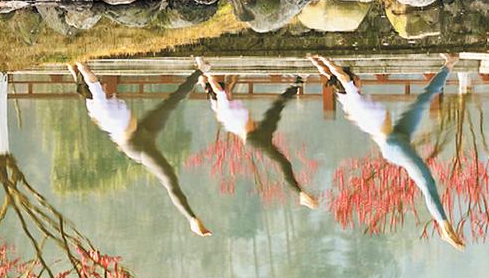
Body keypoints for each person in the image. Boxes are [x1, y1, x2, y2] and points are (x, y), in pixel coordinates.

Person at [307, 53, 464, 250]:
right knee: (426, 182)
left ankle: (450, 63)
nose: (359, 78)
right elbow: (340, 75)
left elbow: (332, 76)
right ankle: (444, 226)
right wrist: (325, 60)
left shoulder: (344, 96)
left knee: (424, 100)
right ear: (351, 82)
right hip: (394, 145)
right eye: (356, 78)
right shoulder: (351, 95)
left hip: (398, 135)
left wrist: (316, 62)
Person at [70, 62, 212, 237]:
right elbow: (88, 80)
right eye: (101, 84)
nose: (104, 84)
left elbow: (87, 80)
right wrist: (78, 66)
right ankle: (192, 219)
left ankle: (200, 71)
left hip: (137, 136)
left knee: (171, 103)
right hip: (138, 144)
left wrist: (78, 67)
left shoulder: (96, 102)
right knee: (168, 177)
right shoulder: (96, 102)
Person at [194, 57, 318, 209]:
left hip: (255, 136)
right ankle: (299, 194)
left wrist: (204, 72)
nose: (229, 92)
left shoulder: (222, 106)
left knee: (278, 109)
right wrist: (204, 71)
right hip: (255, 137)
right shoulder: (220, 106)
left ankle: (300, 194)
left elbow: (215, 86)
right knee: (278, 109)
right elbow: (214, 86)